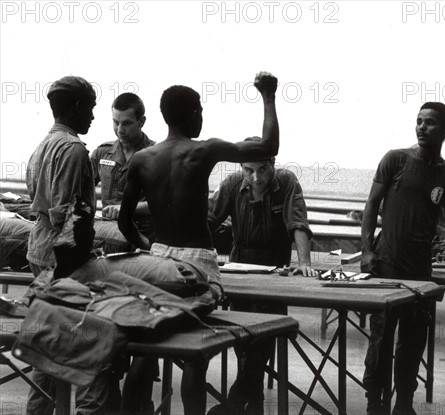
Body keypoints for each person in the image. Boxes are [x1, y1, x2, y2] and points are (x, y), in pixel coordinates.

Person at [118, 72, 279, 415]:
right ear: (192, 114)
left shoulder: (142, 159)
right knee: (195, 356)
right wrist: (268, 95)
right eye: (200, 110)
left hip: (158, 259)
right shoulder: (204, 150)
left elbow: (123, 221)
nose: (202, 117)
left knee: (145, 349)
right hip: (197, 266)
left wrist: (150, 248)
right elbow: (268, 147)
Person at [360, 102, 445, 415]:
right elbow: (370, 206)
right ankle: (374, 402)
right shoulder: (395, 160)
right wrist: (366, 250)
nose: (421, 127)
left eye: (429, 123)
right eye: (418, 121)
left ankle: (404, 402)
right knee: (381, 339)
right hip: (387, 266)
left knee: (413, 340)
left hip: (420, 271)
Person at [25, 75, 120, 415]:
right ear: (78, 107)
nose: (93, 116)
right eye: (91, 107)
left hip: (39, 250)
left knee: (47, 350)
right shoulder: (75, 150)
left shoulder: (43, 146)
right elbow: (68, 216)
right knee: (88, 355)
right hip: (62, 261)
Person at [206, 146, 318, 414]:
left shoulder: (287, 181)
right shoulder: (232, 183)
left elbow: (298, 224)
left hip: (274, 266)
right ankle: (251, 402)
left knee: (266, 332)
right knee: (242, 333)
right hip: (239, 262)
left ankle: (234, 400)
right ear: (241, 168)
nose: (255, 178)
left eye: (262, 170)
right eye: (248, 170)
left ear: (272, 163)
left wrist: (303, 263)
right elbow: (209, 219)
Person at [90, 93, 155, 252]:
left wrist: (127, 207)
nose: (120, 130)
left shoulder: (157, 156)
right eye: (115, 122)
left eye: (126, 123)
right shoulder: (102, 153)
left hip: (144, 238)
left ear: (142, 122)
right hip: (108, 235)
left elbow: (165, 204)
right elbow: (79, 189)